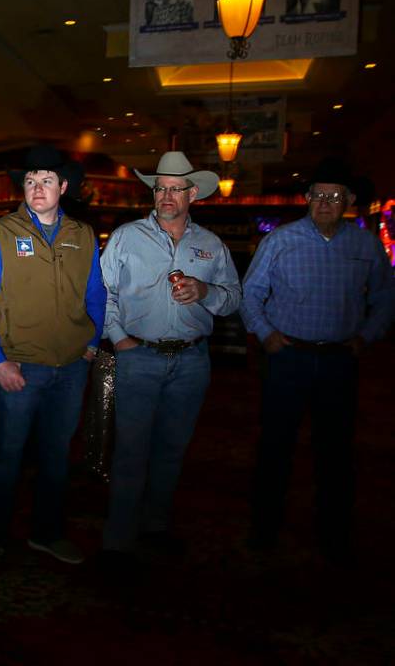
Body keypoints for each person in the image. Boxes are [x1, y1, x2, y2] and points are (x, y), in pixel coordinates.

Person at [241, 159, 394, 564]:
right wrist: (266, 335)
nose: (325, 202)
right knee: (275, 446)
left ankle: (334, 533)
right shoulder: (282, 241)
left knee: (337, 451)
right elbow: (250, 293)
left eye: (334, 196)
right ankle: (264, 529)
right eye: (318, 196)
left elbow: (385, 297)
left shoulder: (365, 245)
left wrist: (366, 337)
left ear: (349, 200)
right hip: (288, 357)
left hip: (340, 360)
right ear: (306, 199)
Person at [0, 145, 106, 573]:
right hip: (21, 367)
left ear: (63, 187)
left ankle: (47, 532)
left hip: (71, 366)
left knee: (57, 455)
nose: (37, 188)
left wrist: (92, 344)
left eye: (46, 180)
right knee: (7, 455)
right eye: (30, 181)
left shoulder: (82, 235)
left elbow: (96, 295)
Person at [99, 151, 241, 567]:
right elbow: (102, 292)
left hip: (192, 361)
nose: (165, 195)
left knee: (172, 449)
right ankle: (118, 542)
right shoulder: (127, 237)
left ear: (192, 194)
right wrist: (120, 339)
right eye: (159, 188)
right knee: (130, 452)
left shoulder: (211, 245)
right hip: (138, 356)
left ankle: (155, 526)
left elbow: (234, 298)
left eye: (174, 189)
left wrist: (205, 292)